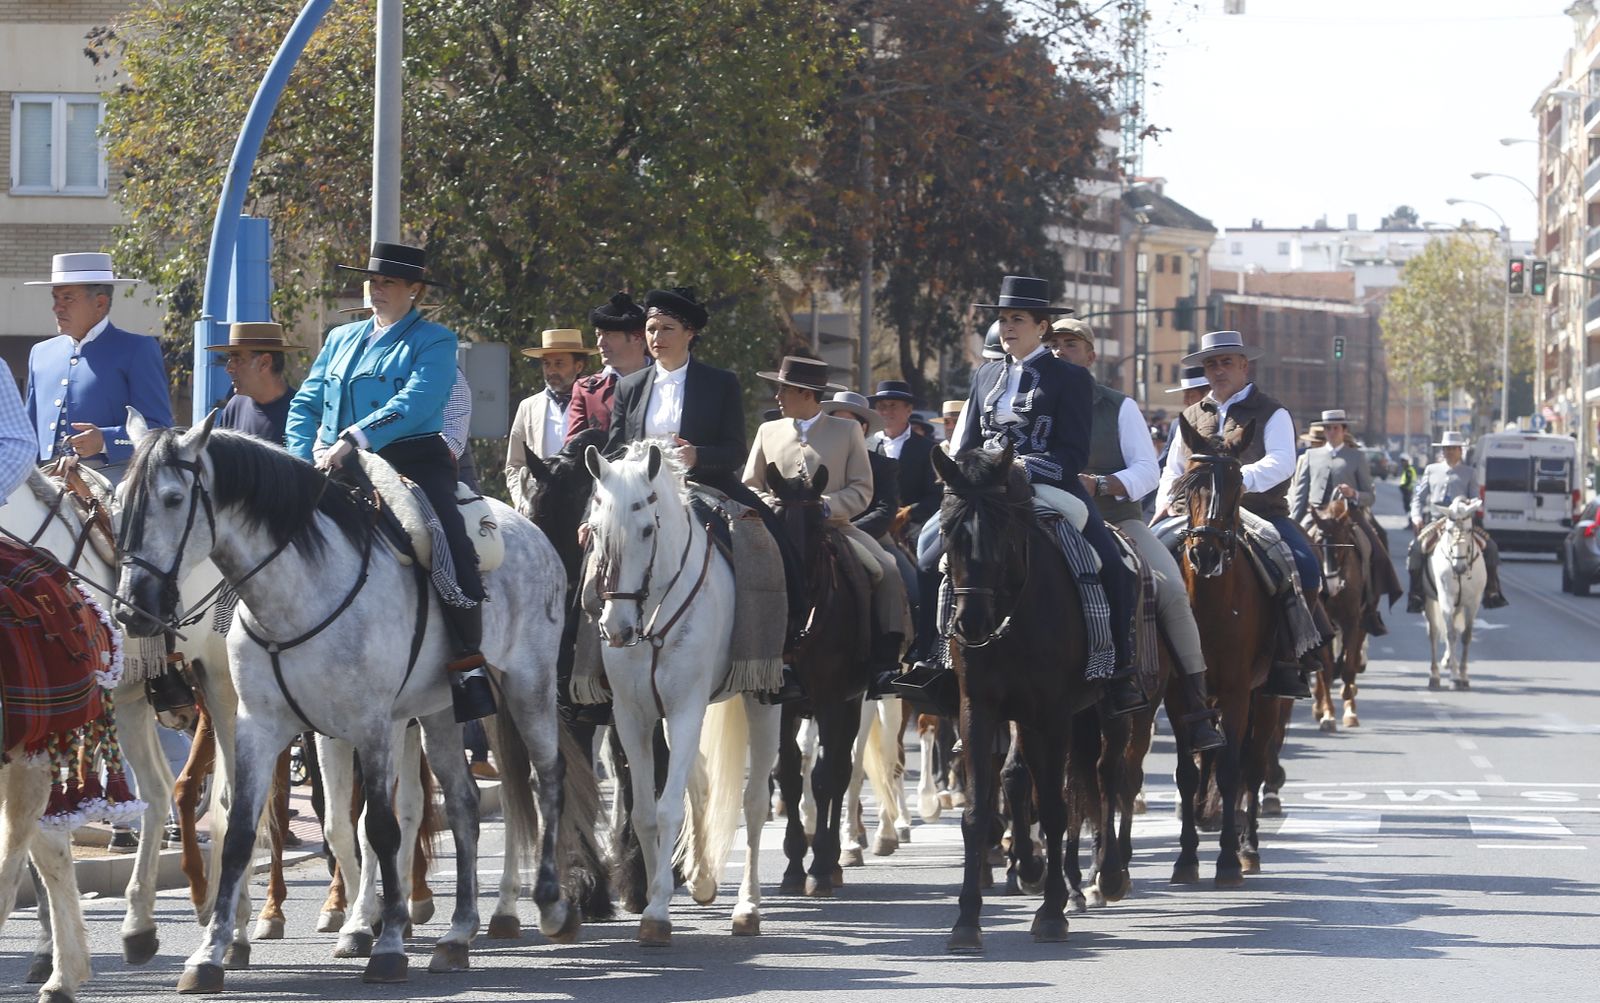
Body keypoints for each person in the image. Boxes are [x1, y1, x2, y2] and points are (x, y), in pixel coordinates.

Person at [285, 241, 495, 722]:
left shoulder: (435, 340)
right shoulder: (340, 337)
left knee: (441, 534)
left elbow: (418, 402)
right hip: (335, 461)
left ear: (414, 290)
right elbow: (306, 403)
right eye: (373, 281)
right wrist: (301, 458)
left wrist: (356, 437)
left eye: (389, 283)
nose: (377, 290)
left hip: (411, 459)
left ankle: (468, 662)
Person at [949, 276, 1145, 715]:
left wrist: (1020, 467)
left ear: (1041, 326)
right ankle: (935, 657)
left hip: (1048, 485)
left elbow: (1072, 451)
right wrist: (967, 476)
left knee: (1113, 565)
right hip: (986, 493)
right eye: (1002, 319)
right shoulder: (984, 375)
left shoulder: (1070, 378)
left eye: (1017, 319)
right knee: (929, 552)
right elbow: (966, 444)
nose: (1007, 327)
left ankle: (1118, 669)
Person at [1045, 318, 1224, 749]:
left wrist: (1102, 484)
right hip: (1046, 520)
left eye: (1071, 344)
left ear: (1090, 355)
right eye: (1052, 344)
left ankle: (1197, 707)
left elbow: (1147, 470)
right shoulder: (1030, 402)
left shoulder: (1118, 406)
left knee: (1171, 590)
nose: (1060, 351)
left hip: (1114, 521)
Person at [602, 286, 807, 644]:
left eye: (666, 329)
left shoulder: (720, 382)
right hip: (638, 494)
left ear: (690, 334)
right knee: (593, 551)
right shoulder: (629, 387)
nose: (656, 337)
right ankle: (582, 661)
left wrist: (697, 455)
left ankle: (785, 643)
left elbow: (734, 451)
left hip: (705, 487)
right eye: (651, 329)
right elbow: (615, 451)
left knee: (771, 538)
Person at [1153, 330, 1322, 699]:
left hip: (1258, 512)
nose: (1218, 370)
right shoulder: (1191, 414)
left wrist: (1238, 480)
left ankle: (1290, 655)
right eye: (1211, 364)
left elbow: (1282, 461)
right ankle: (1142, 657)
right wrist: (1164, 502)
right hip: (1195, 516)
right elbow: (1173, 467)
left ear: (1244, 365)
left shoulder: (1272, 411)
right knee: (1143, 567)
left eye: (1226, 362)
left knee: (1306, 563)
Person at [745, 358, 908, 695]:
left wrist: (823, 506)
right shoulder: (767, 431)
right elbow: (750, 486)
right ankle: (748, 659)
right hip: (778, 532)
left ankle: (884, 663)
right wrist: (777, 506)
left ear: (806, 393)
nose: (777, 396)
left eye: (784, 389)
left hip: (834, 528)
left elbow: (862, 489)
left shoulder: (847, 432)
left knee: (887, 570)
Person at [23, 252, 173, 483]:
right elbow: (29, 432)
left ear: (100, 303)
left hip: (113, 483)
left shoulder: (137, 349)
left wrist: (105, 440)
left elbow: (159, 430)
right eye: (55, 298)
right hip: (45, 483)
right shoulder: (41, 353)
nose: (57, 308)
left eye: (67, 299)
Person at [1290, 408, 1404, 635]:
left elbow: (1370, 495)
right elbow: (1301, 495)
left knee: (1376, 546)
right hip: (1317, 515)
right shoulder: (1310, 457)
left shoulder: (1356, 456)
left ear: (1343, 430)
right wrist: (1294, 522)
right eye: (1327, 428)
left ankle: (1370, 607)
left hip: (1348, 515)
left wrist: (1354, 494)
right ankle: (1295, 609)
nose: (1331, 432)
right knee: (1291, 551)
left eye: (1335, 428)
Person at [1406, 430, 1508, 611]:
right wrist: (1416, 516)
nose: (1450, 451)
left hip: (1463, 521)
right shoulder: (1431, 470)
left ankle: (1492, 590)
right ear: (1442, 451)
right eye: (1446, 448)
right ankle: (1416, 593)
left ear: (1461, 450)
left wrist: (1470, 506)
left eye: (1453, 448)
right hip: (1437, 522)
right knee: (1416, 549)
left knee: (1490, 547)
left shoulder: (1470, 473)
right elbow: (1418, 498)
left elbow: (1477, 498)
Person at [505, 329, 596, 513]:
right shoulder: (529, 407)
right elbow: (515, 464)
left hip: (585, 506)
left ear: (578, 366)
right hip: (540, 506)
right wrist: (522, 498)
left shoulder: (595, 403)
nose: (551, 370)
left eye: (559, 363)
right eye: (546, 364)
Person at [566, 292, 650, 441]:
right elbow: (573, 452)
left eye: (609, 334)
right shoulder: (587, 390)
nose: (600, 343)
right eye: (598, 335)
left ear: (637, 337)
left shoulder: (666, 381)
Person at [207, 322, 302, 444]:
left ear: (265, 363)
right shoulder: (234, 408)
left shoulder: (300, 413)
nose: (228, 368)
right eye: (229, 359)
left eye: (237, 359)